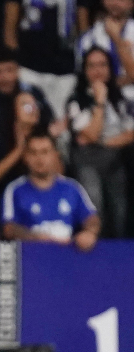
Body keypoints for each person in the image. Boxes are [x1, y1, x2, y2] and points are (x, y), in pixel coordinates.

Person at [0, 49, 53, 236]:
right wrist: (20, 149)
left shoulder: (33, 94)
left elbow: (57, 170)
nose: (4, 77)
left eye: (10, 70)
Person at [67, 46, 134, 237]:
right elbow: (91, 134)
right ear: (84, 71)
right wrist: (100, 101)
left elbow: (130, 134)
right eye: (92, 66)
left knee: (120, 211)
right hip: (86, 161)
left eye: (103, 65)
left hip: (115, 159)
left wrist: (102, 143)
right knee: (96, 204)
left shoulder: (121, 97)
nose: (98, 70)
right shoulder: (76, 100)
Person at [3, 132, 101, 251]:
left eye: (45, 152)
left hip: (66, 257)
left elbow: (92, 219)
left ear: (55, 155)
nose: (39, 158)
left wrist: (89, 233)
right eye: (33, 153)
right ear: (25, 157)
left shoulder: (72, 187)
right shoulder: (14, 190)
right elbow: (9, 228)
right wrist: (35, 238)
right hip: (31, 257)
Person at [4, 0, 79, 120]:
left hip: (65, 67)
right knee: (28, 118)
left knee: (61, 120)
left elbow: (82, 25)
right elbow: (9, 31)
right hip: (29, 66)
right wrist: (17, 59)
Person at [77, 0, 134, 97]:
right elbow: (85, 80)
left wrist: (116, 39)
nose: (115, 3)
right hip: (100, 103)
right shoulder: (89, 38)